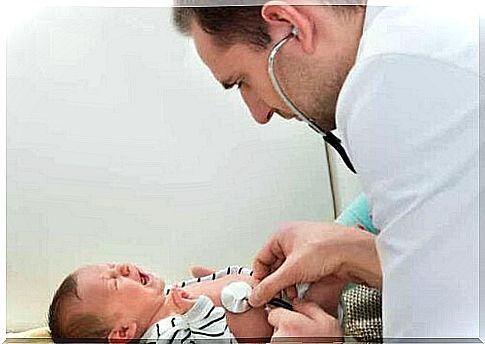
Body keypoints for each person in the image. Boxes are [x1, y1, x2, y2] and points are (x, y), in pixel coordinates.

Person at [172, 0, 479, 339]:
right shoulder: (423, 30)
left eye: (242, 81)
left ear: (288, 22)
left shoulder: (388, 81)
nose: (258, 113)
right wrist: (356, 254)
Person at [47, 263, 343, 343]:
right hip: (292, 327)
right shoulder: (163, 336)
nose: (123, 268)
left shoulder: (171, 297)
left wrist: (234, 274)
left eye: (112, 265)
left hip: (282, 294)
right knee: (326, 287)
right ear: (123, 331)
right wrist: (200, 313)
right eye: (113, 281)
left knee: (324, 270)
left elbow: (219, 280)